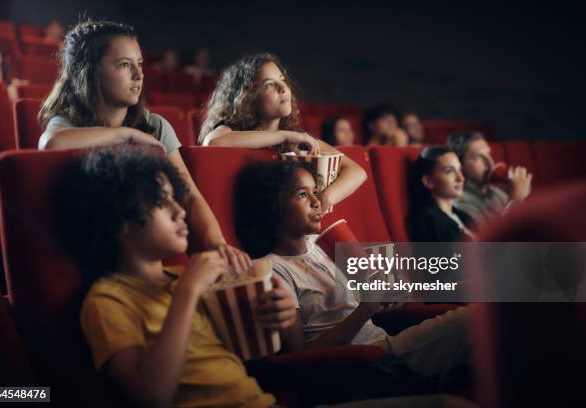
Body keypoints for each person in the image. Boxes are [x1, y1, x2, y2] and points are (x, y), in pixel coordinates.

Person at [57, 144, 296, 407]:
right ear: (119, 220)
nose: (180, 211)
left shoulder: (189, 277)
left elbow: (254, 357)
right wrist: (188, 291)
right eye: (161, 201)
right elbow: (152, 396)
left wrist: (282, 314)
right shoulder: (107, 300)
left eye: (175, 198)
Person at [234, 160, 472, 390]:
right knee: (476, 320)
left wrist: (388, 298)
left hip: (386, 344)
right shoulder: (273, 269)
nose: (317, 202)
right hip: (364, 363)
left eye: (315, 192)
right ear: (273, 207)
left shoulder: (321, 247)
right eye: (303, 195)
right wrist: (365, 309)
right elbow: (298, 355)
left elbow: (367, 302)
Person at [38, 20, 248, 270]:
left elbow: (189, 195)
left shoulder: (156, 126)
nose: (139, 75)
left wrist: (217, 243)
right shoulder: (69, 122)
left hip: (152, 254)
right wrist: (126, 135)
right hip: (99, 256)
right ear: (90, 71)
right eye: (124, 65)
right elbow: (52, 143)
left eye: (139, 64)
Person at [200, 53, 367, 214]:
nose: (282, 88)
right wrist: (283, 135)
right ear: (247, 97)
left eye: (282, 80)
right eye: (269, 84)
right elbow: (213, 141)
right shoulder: (235, 130)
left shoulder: (298, 139)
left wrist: (325, 198)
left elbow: (356, 172)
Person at [447, 130, 532, 227]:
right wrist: (516, 198)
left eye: (489, 154)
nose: (490, 163)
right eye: (478, 157)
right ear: (459, 165)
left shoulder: (497, 191)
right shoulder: (460, 204)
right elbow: (494, 239)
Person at [408, 146, 475, 242]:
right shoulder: (430, 223)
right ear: (428, 181)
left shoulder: (464, 216)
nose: (460, 178)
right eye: (449, 171)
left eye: (459, 170)